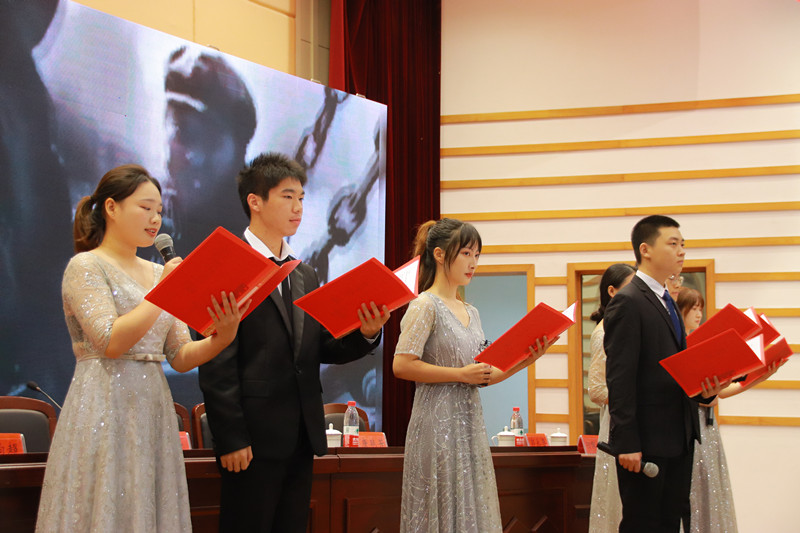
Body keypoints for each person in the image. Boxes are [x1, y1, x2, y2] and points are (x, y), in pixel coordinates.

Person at [35, 164, 246, 532]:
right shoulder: (86, 266)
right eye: (145, 208)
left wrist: (222, 338)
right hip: (102, 405)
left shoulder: (160, 273)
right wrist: (165, 292)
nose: (155, 219)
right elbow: (110, 341)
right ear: (112, 208)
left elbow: (180, 356)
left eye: (159, 211)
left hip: (152, 408)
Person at [197, 152, 390, 533]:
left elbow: (320, 346)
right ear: (255, 201)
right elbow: (216, 362)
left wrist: (367, 332)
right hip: (251, 439)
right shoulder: (229, 265)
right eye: (287, 197)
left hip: (301, 436)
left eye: (301, 197)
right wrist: (231, 437)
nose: (298, 207)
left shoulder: (304, 273)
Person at [392, 218, 556, 533]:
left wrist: (526, 359)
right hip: (435, 425)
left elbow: (483, 375)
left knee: (472, 509)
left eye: (477, 255)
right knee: (439, 510)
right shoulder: (425, 305)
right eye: (466, 253)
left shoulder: (472, 312)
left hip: (469, 425)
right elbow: (402, 365)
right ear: (440, 255)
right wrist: (460, 374)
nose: (473, 263)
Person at [604, 214, 728, 533]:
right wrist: (627, 441)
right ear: (645, 250)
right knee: (643, 525)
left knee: (669, 524)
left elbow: (675, 370)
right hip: (646, 441)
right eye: (673, 244)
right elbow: (620, 378)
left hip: (678, 436)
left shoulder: (666, 300)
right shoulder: (629, 301)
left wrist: (707, 391)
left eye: (683, 244)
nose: (681, 251)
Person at [676, 286, 783, 533]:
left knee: (711, 490)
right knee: (694, 491)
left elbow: (719, 394)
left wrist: (760, 376)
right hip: (691, 426)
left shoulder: (700, 342)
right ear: (680, 310)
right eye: (693, 308)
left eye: (701, 308)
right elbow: (709, 397)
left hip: (708, 427)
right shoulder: (682, 346)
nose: (699, 314)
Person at [587, 263, 636, 533]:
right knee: (617, 500)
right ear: (612, 291)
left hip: (632, 417)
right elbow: (596, 390)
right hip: (617, 422)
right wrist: (633, 394)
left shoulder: (629, 325)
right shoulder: (604, 331)